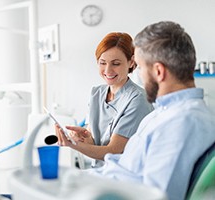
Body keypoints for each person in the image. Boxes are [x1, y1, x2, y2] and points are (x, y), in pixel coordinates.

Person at [82, 21, 215, 200]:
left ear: (159, 71)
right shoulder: (162, 114)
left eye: (141, 68)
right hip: (101, 182)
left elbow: (157, 195)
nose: (139, 76)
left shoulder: (182, 122)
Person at [56, 32, 153, 168]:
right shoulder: (97, 93)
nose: (108, 70)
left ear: (131, 62)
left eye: (116, 64)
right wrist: (84, 137)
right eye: (102, 63)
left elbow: (112, 151)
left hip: (124, 176)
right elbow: (94, 141)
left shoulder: (138, 99)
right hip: (100, 172)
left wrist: (74, 145)